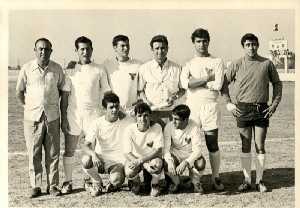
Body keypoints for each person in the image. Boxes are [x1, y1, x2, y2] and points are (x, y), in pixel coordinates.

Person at [222, 33, 282, 193]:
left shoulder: (267, 63)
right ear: (243, 46)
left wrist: (274, 104)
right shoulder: (236, 64)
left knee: (260, 145)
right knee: (245, 145)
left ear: (258, 45)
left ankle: (260, 181)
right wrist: (228, 102)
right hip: (242, 108)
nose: (251, 47)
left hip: (262, 108)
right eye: (248, 44)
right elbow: (223, 84)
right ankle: (247, 180)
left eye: (254, 44)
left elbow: (277, 83)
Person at [60, 36, 111, 194]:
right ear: (76, 51)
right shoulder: (70, 70)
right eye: (81, 49)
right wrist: (63, 119)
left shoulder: (99, 69)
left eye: (88, 48)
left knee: (90, 152)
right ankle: (68, 181)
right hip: (73, 115)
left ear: (92, 49)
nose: (85, 52)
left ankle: (90, 179)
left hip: (93, 116)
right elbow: (65, 97)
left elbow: (106, 93)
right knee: (69, 150)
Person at [16, 38, 64, 197]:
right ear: (35, 50)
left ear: (51, 51)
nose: (43, 52)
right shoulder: (26, 68)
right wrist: (28, 107)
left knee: (53, 154)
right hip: (32, 118)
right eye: (40, 49)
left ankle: (53, 186)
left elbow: (62, 90)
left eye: (47, 49)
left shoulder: (57, 69)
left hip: (52, 117)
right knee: (34, 153)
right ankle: (35, 186)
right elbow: (19, 92)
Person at [180, 28, 225, 191]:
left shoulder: (217, 61)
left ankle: (216, 177)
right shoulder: (188, 63)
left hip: (210, 107)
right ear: (193, 43)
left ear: (209, 41)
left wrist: (195, 81)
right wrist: (207, 78)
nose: (202, 44)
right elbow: (185, 84)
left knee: (212, 143)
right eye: (198, 41)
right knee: (191, 145)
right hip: (192, 107)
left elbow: (218, 85)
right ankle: (194, 178)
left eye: (205, 40)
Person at [81, 92, 132, 197]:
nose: (114, 110)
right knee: (86, 160)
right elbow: (85, 145)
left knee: (117, 179)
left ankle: (113, 184)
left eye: (117, 106)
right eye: (111, 107)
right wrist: (94, 155)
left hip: (118, 162)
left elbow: (142, 124)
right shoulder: (97, 123)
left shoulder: (127, 120)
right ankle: (97, 182)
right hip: (101, 159)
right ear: (105, 109)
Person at [138, 35, 185, 128]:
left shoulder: (177, 68)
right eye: (157, 48)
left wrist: (174, 97)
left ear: (167, 49)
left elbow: (182, 89)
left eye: (163, 48)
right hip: (151, 113)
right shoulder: (144, 68)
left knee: (170, 141)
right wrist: (146, 101)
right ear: (152, 49)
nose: (160, 51)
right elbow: (140, 90)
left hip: (171, 113)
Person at [123, 102, 164, 197]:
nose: (143, 119)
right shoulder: (129, 129)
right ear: (136, 117)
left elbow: (158, 150)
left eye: (146, 115)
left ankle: (154, 185)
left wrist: (143, 161)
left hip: (150, 159)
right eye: (140, 116)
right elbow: (127, 152)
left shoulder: (157, 127)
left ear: (150, 116)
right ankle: (136, 182)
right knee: (129, 171)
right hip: (135, 158)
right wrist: (140, 162)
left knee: (157, 164)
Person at [163, 104, 206, 194]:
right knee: (166, 163)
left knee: (200, 163)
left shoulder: (194, 126)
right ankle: (176, 182)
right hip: (176, 154)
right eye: (172, 118)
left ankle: (196, 182)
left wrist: (186, 162)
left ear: (186, 120)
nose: (173, 121)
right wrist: (170, 161)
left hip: (190, 154)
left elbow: (197, 150)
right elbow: (166, 149)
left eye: (176, 119)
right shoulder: (169, 126)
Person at [102, 35, 142, 113]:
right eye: (122, 46)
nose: (126, 48)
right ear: (115, 47)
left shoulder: (138, 65)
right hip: (114, 111)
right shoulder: (107, 65)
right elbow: (92, 67)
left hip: (132, 111)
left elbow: (141, 90)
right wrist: (75, 65)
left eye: (127, 45)